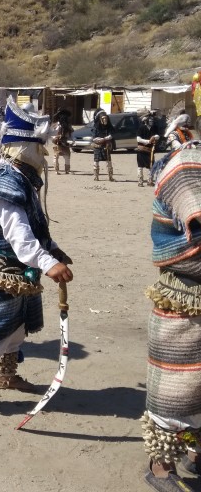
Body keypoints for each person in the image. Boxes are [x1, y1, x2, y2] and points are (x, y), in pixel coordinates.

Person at [0, 96, 73, 422]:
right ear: (26, 146)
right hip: (3, 270)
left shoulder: (21, 178)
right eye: (40, 145)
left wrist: (53, 252)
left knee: (17, 328)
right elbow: (19, 236)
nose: (45, 152)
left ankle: (5, 376)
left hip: (23, 271)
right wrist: (48, 262)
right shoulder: (4, 180)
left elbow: (35, 230)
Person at [141, 141, 201, 491]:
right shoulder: (188, 161)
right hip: (186, 296)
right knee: (178, 387)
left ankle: (196, 452)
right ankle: (160, 463)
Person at [136, 109, 160, 187]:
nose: (151, 122)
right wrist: (148, 141)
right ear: (146, 120)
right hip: (141, 150)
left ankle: (150, 181)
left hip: (150, 151)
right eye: (150, 120)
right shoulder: (141, 128)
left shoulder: (154, 128)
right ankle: (140, 181)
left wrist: (155, 137)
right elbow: (138, 139)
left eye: (152, 120)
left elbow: (158, 135)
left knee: (151, 166)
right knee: (140, 166)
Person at [91, 109, 115, 181]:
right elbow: (94, 137)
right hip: (98, 146)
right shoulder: (95, 127)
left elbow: (111, 135)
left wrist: (104, 139)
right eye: (103, 118)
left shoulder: (109, 126)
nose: (105, 119)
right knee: (96, 161)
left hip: (106, 146)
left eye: (106, 118)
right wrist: (99, 140)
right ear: (100, 119)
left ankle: (110, 177)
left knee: (109, 162)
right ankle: (96, 176)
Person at [51, 107, 74, 175]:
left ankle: (67, 170)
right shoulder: (56, 125)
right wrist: (55, 137)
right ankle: (56, 170)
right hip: (57, 143)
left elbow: (71, 133)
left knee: (67, 157)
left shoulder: (68, 126)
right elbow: (52, 133)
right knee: (56, 156)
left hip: (65, 142)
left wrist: (73, 140)